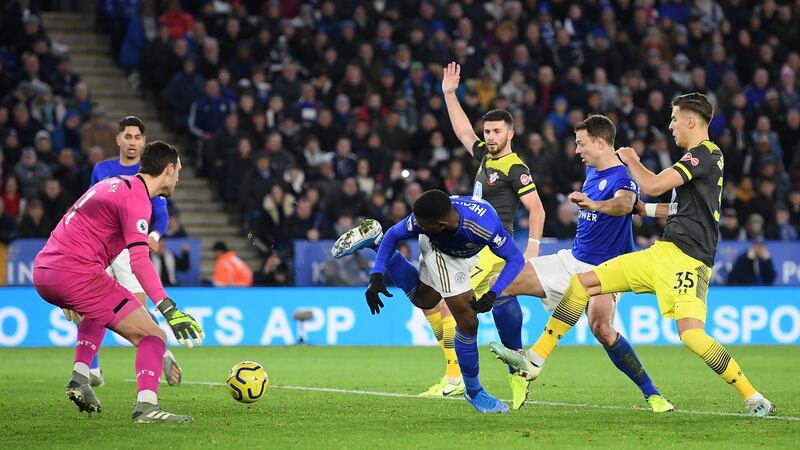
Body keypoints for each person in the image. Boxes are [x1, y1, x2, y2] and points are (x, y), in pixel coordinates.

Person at [491, 93, 776, 417]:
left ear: (691, 120)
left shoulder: (705, 154)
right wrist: (645, 210)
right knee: (582, 283)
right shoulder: (699, 162)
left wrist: (631, 159)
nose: (671, 126)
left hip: (690, 261)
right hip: (661, 252)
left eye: (674, 119)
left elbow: (652, 185)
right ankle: (535, 360)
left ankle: (754, 397)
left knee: (691, 335)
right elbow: (679, 208)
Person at [478, 115, 673, 412]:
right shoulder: (592, 170)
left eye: (581, 144)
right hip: (572, 259)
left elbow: (624, 204)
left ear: (600, 143)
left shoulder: (623, 177)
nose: (577, 150)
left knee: (602, 329)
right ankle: (519, 369)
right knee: (500, 284)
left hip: (607, 271)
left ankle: (652, 394)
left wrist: (594, 204)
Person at [33, 141, 204, 423]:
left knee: (101, 307)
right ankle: (147, 408)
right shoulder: (137, 198)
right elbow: (139, 261)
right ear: (169, 169)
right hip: (76, 273)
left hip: (45, 269)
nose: (178, 178)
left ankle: (80, 378)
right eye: (179, 171)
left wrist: (60, 280)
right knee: (154, 336)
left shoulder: (111, 184)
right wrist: (169, 310)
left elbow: (70, 222)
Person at [342, 190, 525, 413]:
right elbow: (394, 233)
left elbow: (516, 259)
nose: (416, 226)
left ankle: (376, 242)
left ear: (440, 224)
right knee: (468, 320)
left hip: (468, 249)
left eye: (422, 225)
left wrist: (493, 293)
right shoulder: (425, 222)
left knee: (425, 298)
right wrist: (376, 273)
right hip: (443, 250)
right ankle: (474, 390)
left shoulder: (483, 226)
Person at [88, 116, 180, 387]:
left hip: (131, 246)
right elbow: (90, 203)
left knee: (138, 308)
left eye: (137, 137)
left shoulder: (150, 172)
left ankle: (161, 350)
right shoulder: (102, 169)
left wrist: (154, 235)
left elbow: (161, 214)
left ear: (143, 141)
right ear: (118, 139)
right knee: (88, 302)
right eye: (127, 136)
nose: (132, 142)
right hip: (101, 245)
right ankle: (92, 368)